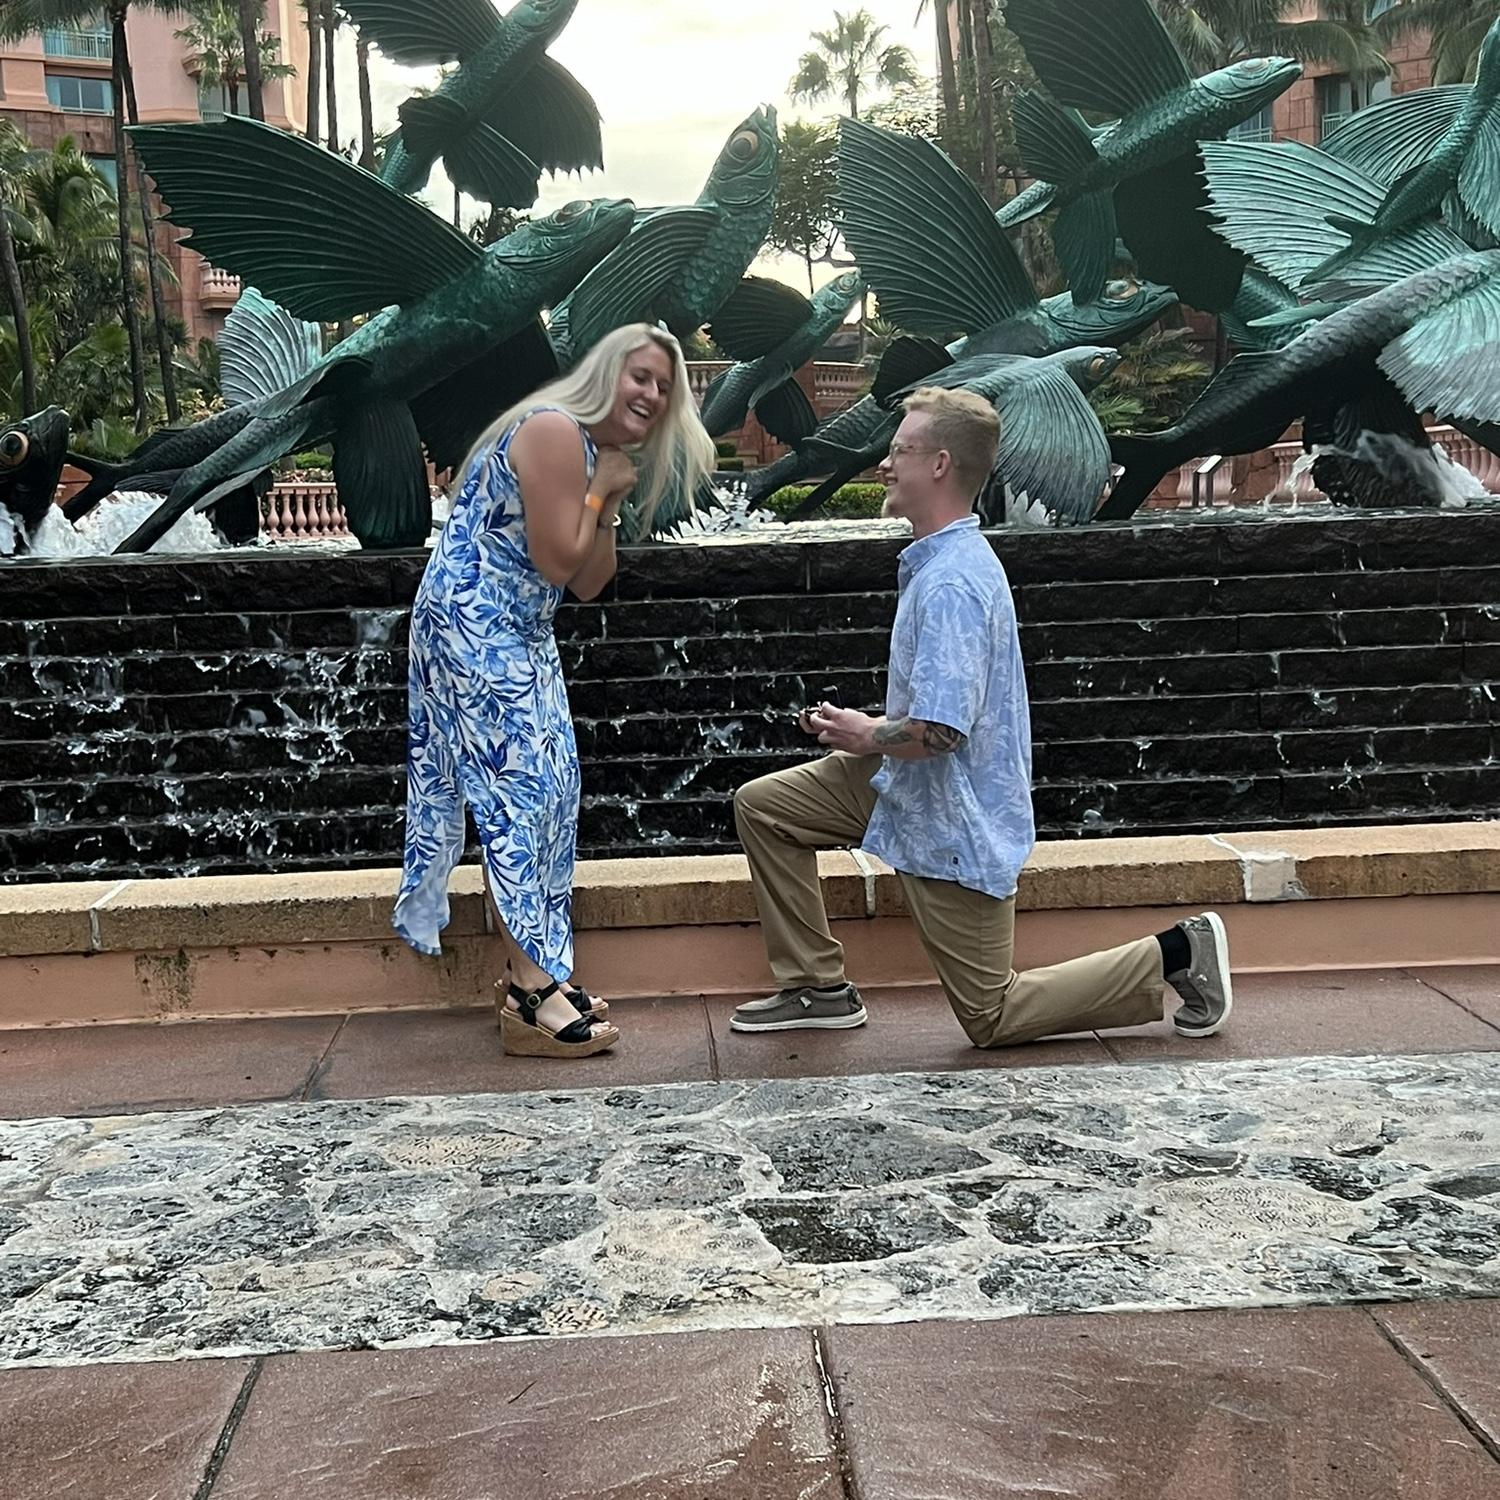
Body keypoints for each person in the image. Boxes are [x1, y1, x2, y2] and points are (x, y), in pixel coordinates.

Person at [730, 386, 1233, 1046]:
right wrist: (865, 730)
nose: (884, 463)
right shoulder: (940, 562)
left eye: (898, 451)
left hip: (954, 814)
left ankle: (1178, 953)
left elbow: (941, 733)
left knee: (991, 1015)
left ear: (939, 464)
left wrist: (863, 732)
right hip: (904, 784)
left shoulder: (953, 583)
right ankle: (816, 987)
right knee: (765, 806)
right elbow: (938, 713)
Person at [394, 323, 715, 1058]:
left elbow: (590, 580)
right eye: (640, 376)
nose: (652, 394)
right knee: (521, 792)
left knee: (555, 784)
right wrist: (603, 493)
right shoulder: (549, 430)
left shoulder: (593, 452)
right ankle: (531, 987)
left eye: (664, 387)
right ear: (607, 374)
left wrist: (606, 493)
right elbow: (555, 555)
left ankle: (536, 976)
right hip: (472, 622)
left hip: (521, 630)